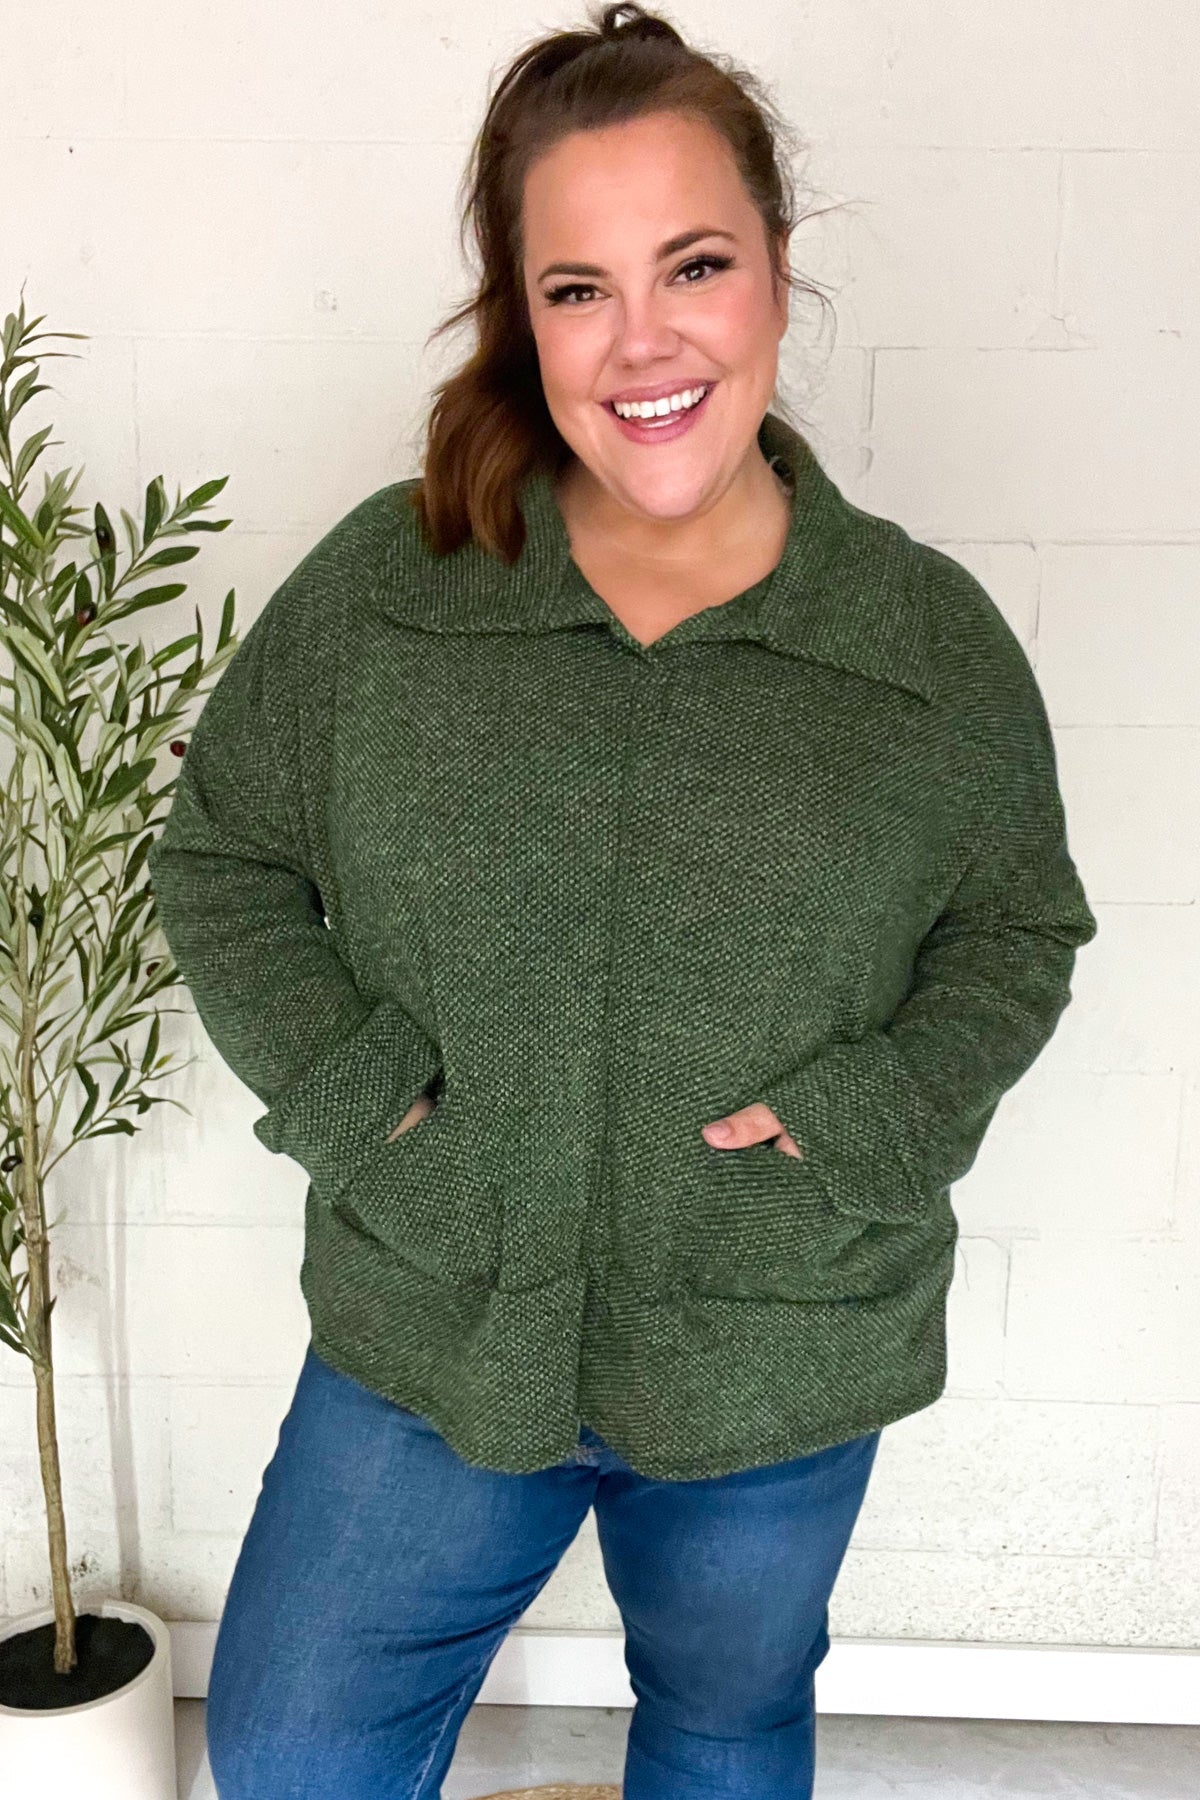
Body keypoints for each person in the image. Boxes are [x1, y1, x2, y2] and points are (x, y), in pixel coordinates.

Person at [146, 5, 1098, 1796]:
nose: (642, 341)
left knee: (726, 1730)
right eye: (578, 287)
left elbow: (1016, 929)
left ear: (780, 271)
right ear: (523, 316)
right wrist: (371, 1111)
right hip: (435, 1312)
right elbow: (226, 859)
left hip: (777, 1343)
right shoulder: (394, 588)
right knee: (291, 1752)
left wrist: (873, 1116)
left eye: (696, 265)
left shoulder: (923, 644)